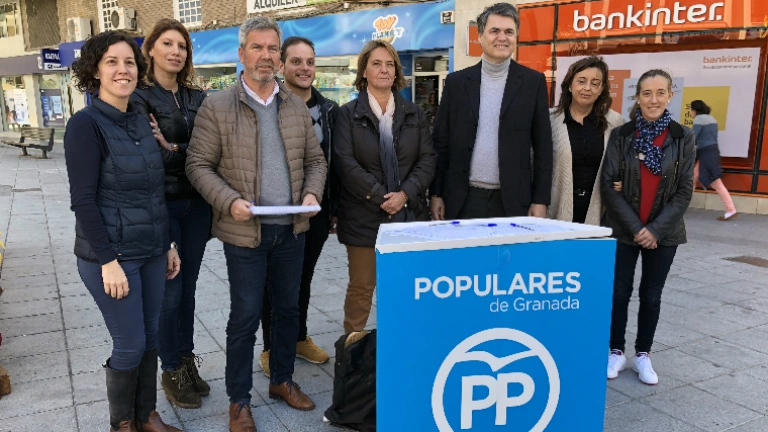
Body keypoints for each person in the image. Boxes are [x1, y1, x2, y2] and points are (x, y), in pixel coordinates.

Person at [185, 17, 327, 432]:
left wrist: (311, 193)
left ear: (279, 56)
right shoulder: (217, 106)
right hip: (245, 233)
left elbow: (316, 161)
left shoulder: (294, 106)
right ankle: (239, 400)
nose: (266, 55)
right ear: (241, 53)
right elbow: (198, 164)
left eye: (272, 48)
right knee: (245, 317)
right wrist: (229, 201)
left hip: (291, 230)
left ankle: (282, 379)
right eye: (257, 47)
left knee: (287, 310)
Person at [64, 31, 182, 432]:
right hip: (112, 256)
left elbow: (153, 190)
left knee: (150, 338)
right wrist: (108, 261)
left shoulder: (140, 119)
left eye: (129, 62)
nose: (122, 69)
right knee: (130, 344)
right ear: (95, 71)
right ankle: (123, 423)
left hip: (152, 250)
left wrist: (168, 243)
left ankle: (147, 415)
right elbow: (83, 201)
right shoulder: (85, 125)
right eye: (112, 62)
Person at [129, 18, 211, 409]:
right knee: (170, 291)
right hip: (161, 205)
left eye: (181, 45)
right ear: (150, 50)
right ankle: (171, 368)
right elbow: (150, 158)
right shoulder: (139, 98)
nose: (175, 51)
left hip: (198, 205)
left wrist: (174, 147)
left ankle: (186, 359)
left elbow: (213, 152)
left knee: (188, 288)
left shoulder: (198, 97)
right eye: (167, 44)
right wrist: (181, 152)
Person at [334, 39, 436, 333]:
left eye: (390, 64)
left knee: (406, 287)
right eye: (376, 63)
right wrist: (381, 197)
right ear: (364, 71)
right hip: (363, 217)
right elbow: (345, 162)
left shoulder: (414, 113)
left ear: (397, 71)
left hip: (408, 215)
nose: (384, 69)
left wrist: (404, 194)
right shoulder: (347, 114)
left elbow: (428, 158)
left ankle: (404, 346)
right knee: (361, 288)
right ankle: (353, 351)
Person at [601, 69, 695, 385]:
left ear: (670, 95)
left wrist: (654, 230)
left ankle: (643, 354)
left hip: (664, 234)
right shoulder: (622, 135)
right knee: (618, 293)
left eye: (660, 92)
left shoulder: (683, 137)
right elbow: (608, 184)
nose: (653, 99)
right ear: (637, 97)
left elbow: (684, 190)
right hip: (624, 230)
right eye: (646, 93)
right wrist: (637, 228)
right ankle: (616, 350)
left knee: (651, 295)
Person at [259, 36, 338, 377]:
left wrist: (333, 208)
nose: (304, 68)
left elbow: (334, 161)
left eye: (310, 61)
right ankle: (271, 346)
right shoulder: (267, 105)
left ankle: (299, 337)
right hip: (276, 212)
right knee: (274, 281)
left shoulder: (329, 110)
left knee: (303, 277)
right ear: (281, 65)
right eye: (296, 61)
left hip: (316, 209)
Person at [430, 2, 552, 221]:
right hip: (462, 198)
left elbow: (543, 147)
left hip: (513, 200)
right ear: (480, 36)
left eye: (509, 32)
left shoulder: (533, 83)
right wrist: (436, 193)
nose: (502, 37)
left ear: (516, 37)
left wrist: (540, 199)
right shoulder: (456, 83)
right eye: (494, 30)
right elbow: (441, 143)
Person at [549, 56, 626, 225]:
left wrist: (624, 180)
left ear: (602, 89)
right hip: (555, 210)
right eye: (581, 81)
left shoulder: (616, 123)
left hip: (599, 213)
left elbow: (626, 163)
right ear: (570, 85)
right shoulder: (549, 120)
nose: (587, 88)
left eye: (595, 83)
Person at [690, 100, 737, 221]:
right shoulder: (712, 119)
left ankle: (731, 209)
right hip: (711, 151)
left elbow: (692, 137)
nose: (690, 112)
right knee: (693, 177)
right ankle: (680, 206)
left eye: (690, 109)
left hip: (706, 153)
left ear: (695, 110)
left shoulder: (699, 119)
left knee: (716, 182)